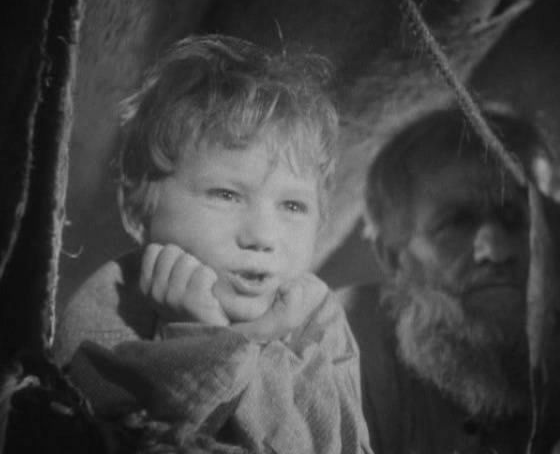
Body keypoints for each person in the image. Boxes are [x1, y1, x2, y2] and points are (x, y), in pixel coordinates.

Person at [57, 34, 372, 454]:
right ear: (137, 203)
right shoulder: (110, 303)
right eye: (226, 195)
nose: (261, 237)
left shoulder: (316, 314)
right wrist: (197, 337)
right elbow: (114, 438)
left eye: (293, 206)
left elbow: (328, 445)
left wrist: (251, 338)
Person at [337, 106, 552, 454]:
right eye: (456, 223)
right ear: (392, 256)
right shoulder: (342, 347)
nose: (497, 251)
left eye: (516, 218)